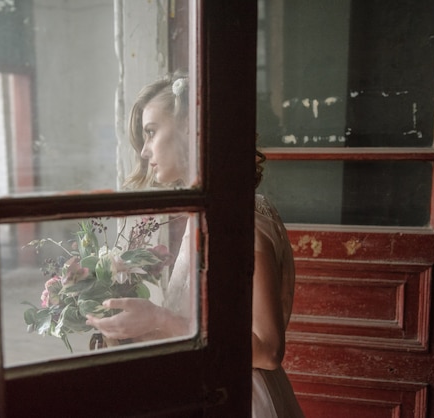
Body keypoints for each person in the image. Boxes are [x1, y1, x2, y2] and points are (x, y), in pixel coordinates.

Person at [85, 72, 304, 417]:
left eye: (152, 132)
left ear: (190, 126)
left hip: (239, 399)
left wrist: (158, 318)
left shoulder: (241, 218)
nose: (144, 151)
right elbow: (200, 322)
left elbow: (268, 350)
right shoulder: (209, 211)